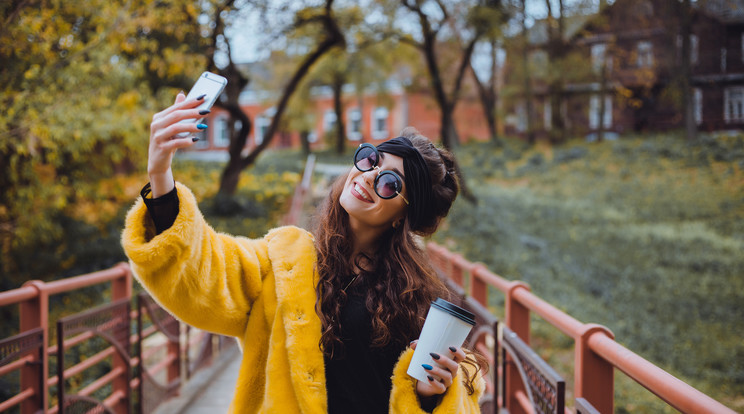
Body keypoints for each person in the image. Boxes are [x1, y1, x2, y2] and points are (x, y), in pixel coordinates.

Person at [122, 92, 485, 413]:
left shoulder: (418, 300)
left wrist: (428, 397)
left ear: (403, 216)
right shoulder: (282, 262)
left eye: (391, 183)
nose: (371, 177)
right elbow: (208, 269)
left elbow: (458, 398)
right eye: (372, 160)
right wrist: (160, 175)